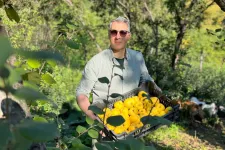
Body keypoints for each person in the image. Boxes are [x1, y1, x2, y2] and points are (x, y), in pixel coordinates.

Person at [76, 16, 161, 149]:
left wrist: (159, 95)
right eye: (114, 32)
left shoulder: (137, 58)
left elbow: (146, 79)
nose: (118, 36)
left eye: (122, 32)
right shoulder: (96, 62)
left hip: (133, 126)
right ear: (109, 34)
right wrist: (95, 119)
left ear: (128, 36)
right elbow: (82, 94)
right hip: (106, 130)